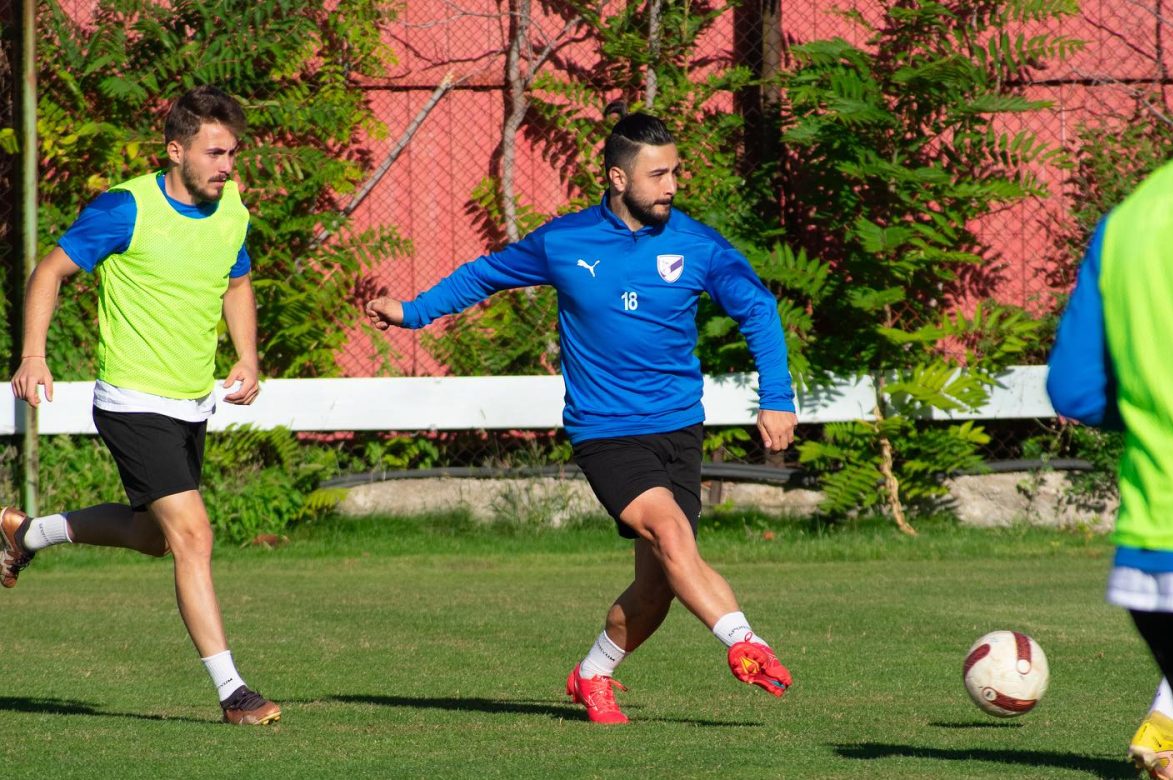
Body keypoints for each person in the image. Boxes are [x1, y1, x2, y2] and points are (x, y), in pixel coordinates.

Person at [365, 106, 797, 724]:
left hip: (679, 429)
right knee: (673, 537)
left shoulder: (697, 245)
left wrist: (776, 396)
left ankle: (592, 674)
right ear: (618, 179)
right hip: (606, 432)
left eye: (675, 172)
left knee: (659, 586)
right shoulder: (563, 242)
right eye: (657, 175)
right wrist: (412, 312)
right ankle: (746, 644)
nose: (671, 186)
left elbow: (758, 310)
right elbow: (484, 276)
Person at [4, 85, 280, 726]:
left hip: (190, 403)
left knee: (153, 538)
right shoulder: (125, 208)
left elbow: (237, 281)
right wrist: (33, 354)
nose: (227, 167)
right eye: (215, 153)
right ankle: (233, 692)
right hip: (131, 400)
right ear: (175, 149)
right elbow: (48, 273)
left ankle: (29, 532)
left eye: (233, 153)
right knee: (194, 537)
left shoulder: (231, 204)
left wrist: (248, 356)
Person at [1047, 4, 1173, 775]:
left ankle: (1165, 728)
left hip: (1157, 564)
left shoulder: (1131, 220)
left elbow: (1073, 390)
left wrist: (1159, 411)